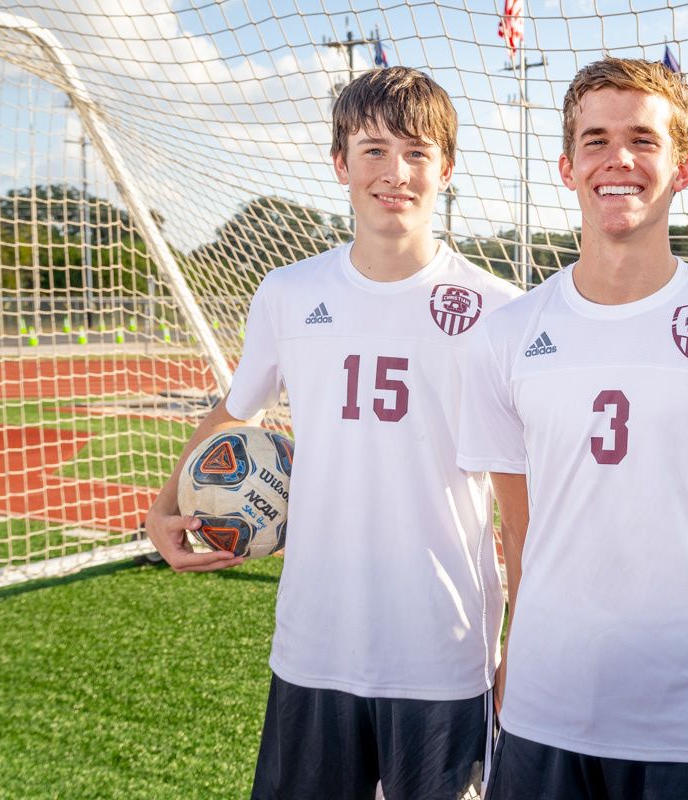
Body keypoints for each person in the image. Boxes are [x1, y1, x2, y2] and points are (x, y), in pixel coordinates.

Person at [145, 66, 521, 800]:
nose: (396, 172)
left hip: (443, 650)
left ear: (446, 168)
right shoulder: (289, 292)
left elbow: (524, 504)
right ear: (340, 163)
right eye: (374, 149)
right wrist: (165, 506)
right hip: (313, 644)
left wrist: (526, 651)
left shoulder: (498, 311)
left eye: (417, 152)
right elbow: (235, 412)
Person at [457, 57, 688, 800]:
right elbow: (519, 536)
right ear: (566, 165)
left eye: (643, 141)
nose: (618, 158)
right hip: (543, 712)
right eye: (596, 140)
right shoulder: (505, 337)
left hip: (687, 718)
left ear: (682, 167)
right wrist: (531, 651)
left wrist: (686, 633)